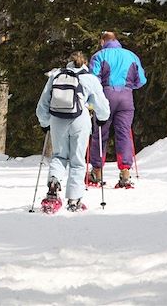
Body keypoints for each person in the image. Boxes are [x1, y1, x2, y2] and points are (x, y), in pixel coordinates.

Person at [36, 51, 110, 212]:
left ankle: (54, 184)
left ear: (68, 63)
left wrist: (44, 123)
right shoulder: (90, 79)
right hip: (80, 120)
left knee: (59, 156)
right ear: (85, 63)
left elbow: (43, 104)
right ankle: (74, 199)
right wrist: (102, 118)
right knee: (77, 160)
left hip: (57, 120)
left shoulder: (55, 76)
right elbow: (102, 105)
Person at [88, 31, 147, 188]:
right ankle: (125, 172)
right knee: (124, 133)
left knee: (100, 133)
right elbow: (141, 80)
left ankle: (97, 171)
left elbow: (93, 79)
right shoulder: (131, 56)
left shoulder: (99, 55)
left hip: (105, 96)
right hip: (126, 98)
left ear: (103, 41)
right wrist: (128, 87)